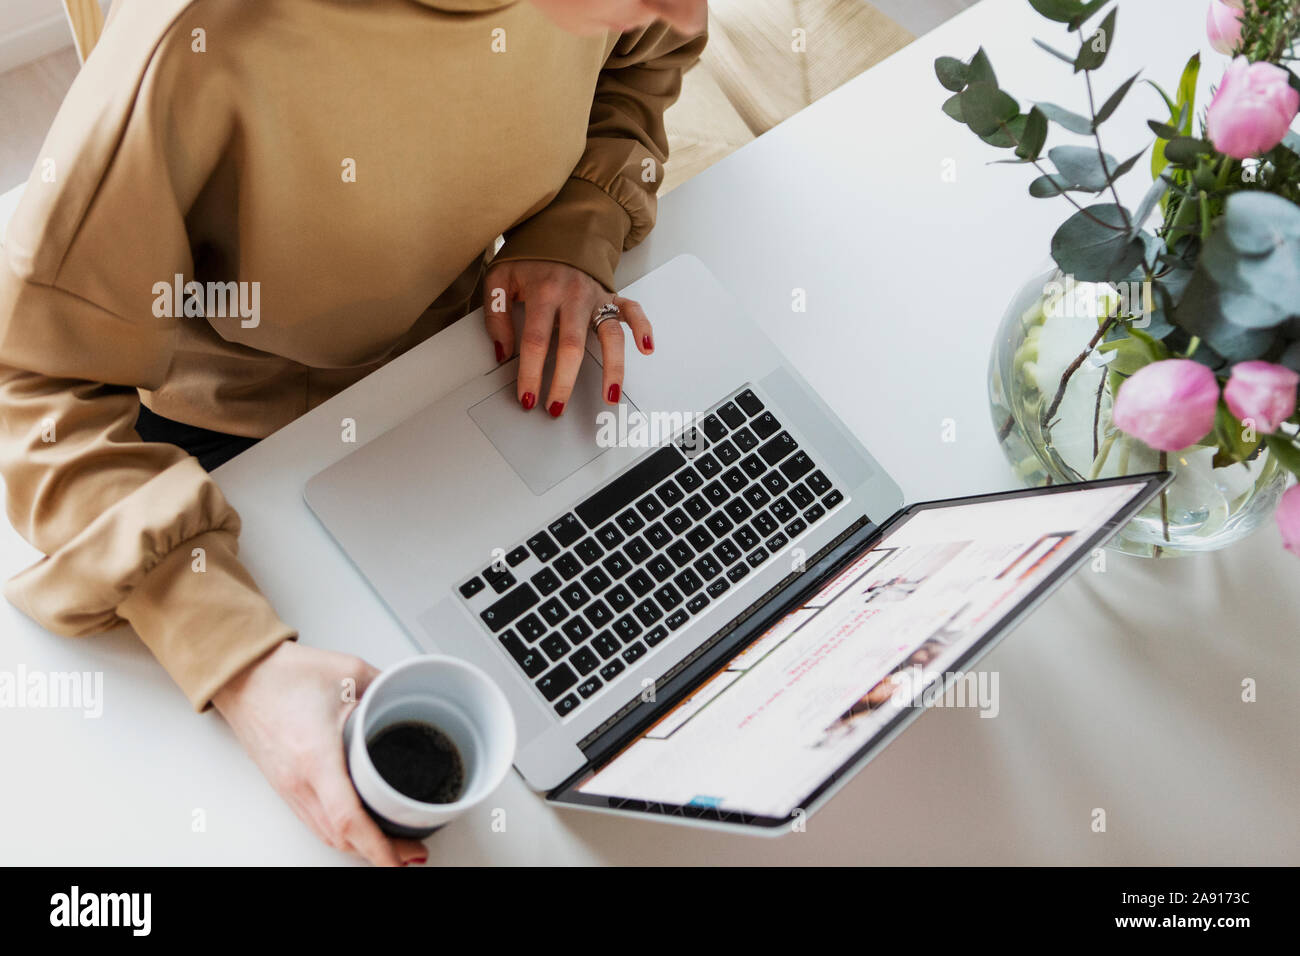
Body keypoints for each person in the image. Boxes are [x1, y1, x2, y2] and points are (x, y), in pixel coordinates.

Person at [0, 0, 707, 865]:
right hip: (237, 440)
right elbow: (33, 385)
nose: (692, 5)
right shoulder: (193, 43)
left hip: (469, 359)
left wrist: (575, 225)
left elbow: (651, 60)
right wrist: (240, 665)